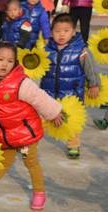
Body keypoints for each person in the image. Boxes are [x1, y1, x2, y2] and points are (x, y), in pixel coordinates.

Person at [0, 42, 64, 211]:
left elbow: (39, 98)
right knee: (1, 162)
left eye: (10, 61)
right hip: (3, 134)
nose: (4, 64)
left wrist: (54, 112)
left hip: (25, 134)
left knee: (31, 162)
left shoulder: (21, 83)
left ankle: (39, 192)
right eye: (0, 59)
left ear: (15, 63)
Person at [40, 13, 99, 159]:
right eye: (57, 31)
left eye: (66, 31)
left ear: (73, 32)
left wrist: (94, 84)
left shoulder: (81, 51)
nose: (61, 34)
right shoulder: (47, 51)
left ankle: (73, 145)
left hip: (72, 95)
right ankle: (28, 142)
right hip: (49, 94)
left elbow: (90, 68)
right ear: (51, 32)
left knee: (72, 122)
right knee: (40, 119)